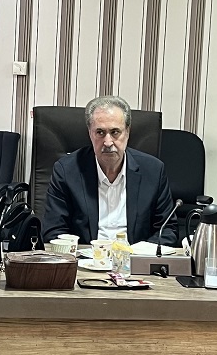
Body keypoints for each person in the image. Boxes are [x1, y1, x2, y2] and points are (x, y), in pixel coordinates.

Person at [42, 95, 176, 246]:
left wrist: (138, 253)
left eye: (115, 132)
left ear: (127, 132)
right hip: (85, 258)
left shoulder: (153, 171)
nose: (107, 142)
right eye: (100, 132)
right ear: (90, 133)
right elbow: (53, 231)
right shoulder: (66, 171)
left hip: (134, 257)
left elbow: (167, 230)